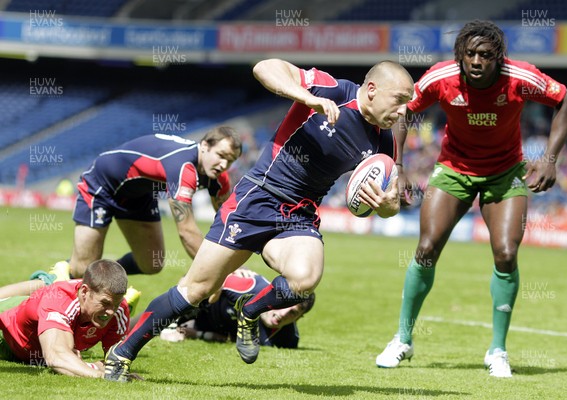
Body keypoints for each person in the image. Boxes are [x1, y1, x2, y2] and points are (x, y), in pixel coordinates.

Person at [101, 58, 414, 381]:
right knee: (195, 290)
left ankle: (248, 311)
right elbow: (264, 67)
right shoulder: (331, 89)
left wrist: (387, 206)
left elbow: (385, 205)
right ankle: (121, 353)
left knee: (305, 279)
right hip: (257, 198)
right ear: (373, 90)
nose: (404, 111)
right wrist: (306, 97)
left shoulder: (383, 142)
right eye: (400, 100)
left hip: (299, 215)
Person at [375, 20, 567, 378]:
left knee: (506, 252)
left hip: (505, 172)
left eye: (485, 55)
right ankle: (403, 339)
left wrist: (549, 158)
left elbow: (566, 101)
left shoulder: (519, 77)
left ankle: (497, 351)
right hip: (453, 169)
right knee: (426, 247)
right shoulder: (442, 77)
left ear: (499, 58)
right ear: (460, 56)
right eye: (469, 54)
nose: (476, 61)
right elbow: (405, 111)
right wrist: (399, 164)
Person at [32, 127, 242, 288]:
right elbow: (187, 231)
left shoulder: (219, 178)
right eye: (221, 155)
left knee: (151, 264)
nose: (224, 165)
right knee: (80, 271)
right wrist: (219, 272)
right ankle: (57, 276)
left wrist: (235, 264)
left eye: (230, 160)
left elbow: (226, 224)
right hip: (102, 186)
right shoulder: (183, 167)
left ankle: (102, 271)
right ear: (204, 145)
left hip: (138, 196)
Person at [0, 259, 130, 379]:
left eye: (116, 304)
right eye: (105, 303)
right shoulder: (58, 300)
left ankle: (52, 281)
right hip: (6, 329)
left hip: (33, 350)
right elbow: (56, 357)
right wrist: (100, 375)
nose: (111, 311)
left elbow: (115, 362)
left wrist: (88, 365)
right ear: (84, 292)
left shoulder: (120, 310)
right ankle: (49, 280)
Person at [159, 269, 315, 348]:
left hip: (206, 326)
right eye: (284, 306)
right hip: (194, 308)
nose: (282, 314)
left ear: (298, 318)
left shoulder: (287, 340)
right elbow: (192, 280)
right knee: (149, 322)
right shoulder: (251, 287)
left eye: (293, 312)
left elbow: (233, 339)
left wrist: (198, 334)